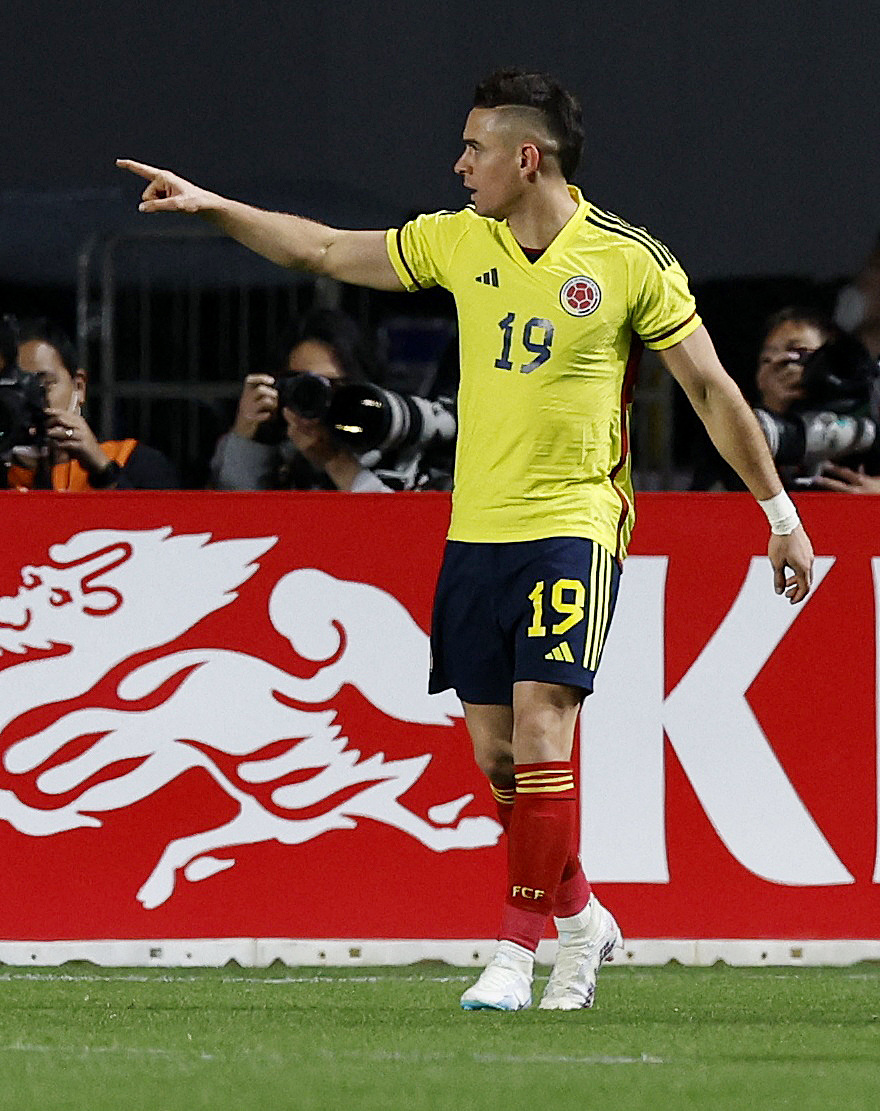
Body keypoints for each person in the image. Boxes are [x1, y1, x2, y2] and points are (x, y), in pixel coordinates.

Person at [117, 67, 814, 1012]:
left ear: (527, 159)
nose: (458, 165)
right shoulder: (460, 243)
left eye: (474, 148)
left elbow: (711, 390)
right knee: (497, 759)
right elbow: (323, 247)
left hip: (574, 523)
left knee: (542, 728)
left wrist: (780, 513)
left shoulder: (629, 261)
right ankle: (581, 921)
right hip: (475, 526)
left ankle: (515, 953)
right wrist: (211, 205)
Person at [211, 307, 393, 491]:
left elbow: (393, 517)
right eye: (306, 385)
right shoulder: (275, 451)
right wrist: (248, 439)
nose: (319, 397)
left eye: (334, 385)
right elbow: (234, 516)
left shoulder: (392, 450)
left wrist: (335, 461)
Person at [2, 316, 179, 491]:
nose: (25, 399)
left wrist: (104, 471)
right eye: (13, 388)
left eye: (43, 384)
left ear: (79, 387)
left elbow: (161, 519)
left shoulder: (133, 460)